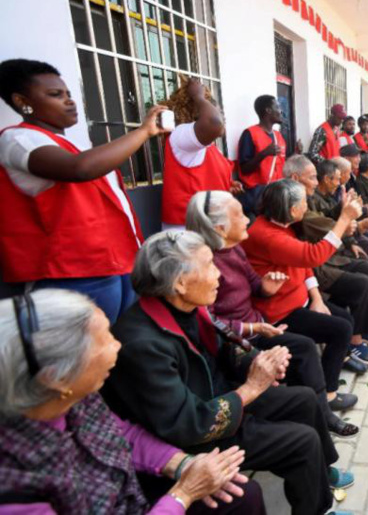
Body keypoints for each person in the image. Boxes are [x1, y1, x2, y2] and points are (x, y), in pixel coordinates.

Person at [103, 230, 354, 515]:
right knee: (302, 442)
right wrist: (250, 389)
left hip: (217, 399)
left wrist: (259, 362)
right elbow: (187, 424)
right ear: (181, 283)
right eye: (209, 266)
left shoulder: (185, 307)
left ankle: (322, 475)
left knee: (304, 399)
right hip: (195, 436)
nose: (218, 276)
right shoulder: (142, 345)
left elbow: (226, 348)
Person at [0, 289, 264, 514]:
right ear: (55, 377)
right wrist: (182, 495)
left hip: (129, 491)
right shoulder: (16, 488)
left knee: (242, 493)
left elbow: (119, 432)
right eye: (103, 340)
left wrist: (183, 464)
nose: (117, 345)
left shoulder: (74, 397)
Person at [185, 191, 360, 438]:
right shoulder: (212, 261)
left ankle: (318, 410)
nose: (247, 219)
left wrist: (265, 286)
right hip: (240, 338)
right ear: (220, 228)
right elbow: (209, 321)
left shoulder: (234, 248)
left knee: (313, 344)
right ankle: (319, 413)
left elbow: (256, 282)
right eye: (240, 215)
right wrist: (253, 328)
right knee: (305, 348)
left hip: (260, 324)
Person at [0, 59, 159, 323]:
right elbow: (80, 169)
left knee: (117, 349)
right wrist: (143, 132)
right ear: (21, 101)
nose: (69, 101)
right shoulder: (17, 139)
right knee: (84, 358)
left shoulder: (66, 144)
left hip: (115, 264)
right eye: (55, 95)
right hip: (74, 274)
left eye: (68, 94)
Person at [242, 178, 368, 381]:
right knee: (341, 328)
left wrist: (317, 298)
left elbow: (303, 263)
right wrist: (344, 219)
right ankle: (329, 391)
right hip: (281, 311)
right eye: (304, 202)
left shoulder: (282, 225)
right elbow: (313, 255)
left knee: (344, 319)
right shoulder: (268, 236)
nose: (308, 204)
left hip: (299, 299)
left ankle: (340, 360)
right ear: (294, 210)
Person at [284, 156, 368, 364]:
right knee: (361, 281)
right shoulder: (292, 202)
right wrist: (346, 220)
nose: (316, 181)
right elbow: (318, 224)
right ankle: (355, 343)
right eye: (312, 177)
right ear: (295, 178)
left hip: (322, 258)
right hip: (316, 263)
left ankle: (361, 332)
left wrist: (344, 213)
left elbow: (326, 218)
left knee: (364, 267)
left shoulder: (304, 198)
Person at [160, 77, 240, 230]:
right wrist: (198, 96)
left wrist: (227, 186)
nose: (223, 119)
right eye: (219, 113)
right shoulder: (179, 136)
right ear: (199, 113)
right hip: (187, 230)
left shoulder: (206, 146)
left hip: (207, 224)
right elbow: (213, 123)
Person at [236, 95, 287, 217]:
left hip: (276, 193)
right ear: (268, 110)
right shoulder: (250, 134)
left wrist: (297, 153)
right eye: (278, 107)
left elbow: (280, 164)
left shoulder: (278, 136)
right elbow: (244, 169)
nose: (281, 111)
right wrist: (264, 154)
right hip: (258, 196)